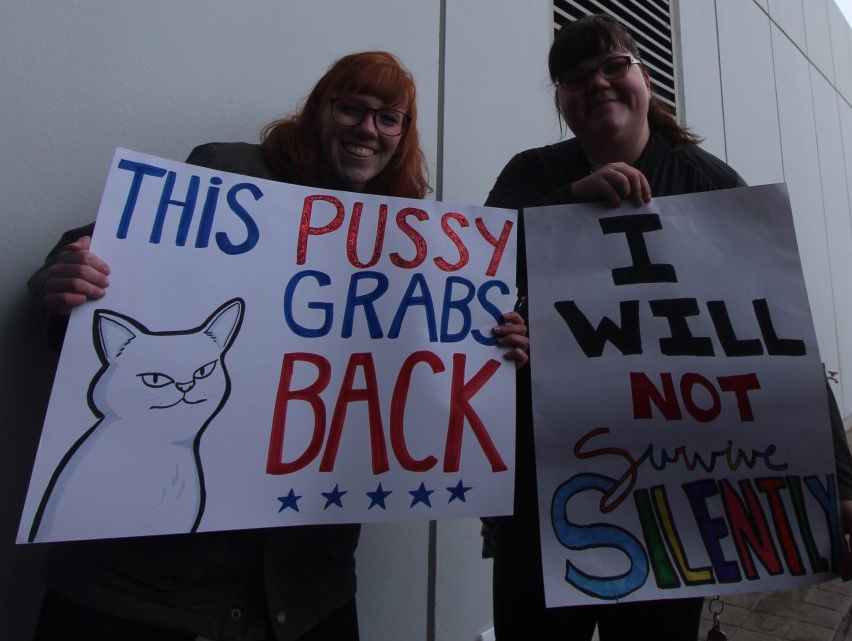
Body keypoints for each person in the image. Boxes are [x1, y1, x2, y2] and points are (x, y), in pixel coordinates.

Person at [28, 50, 529, 641]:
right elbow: (92, 278)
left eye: (389, 118)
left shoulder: (409, 236)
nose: (369, 129)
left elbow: (423, 374)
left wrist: (496, 348)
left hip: (305, 587)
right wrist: (63, 284)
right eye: (352, 108)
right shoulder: (228, 174)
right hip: (147, 580)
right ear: (320, 110)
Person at [483, 15, 852, 640]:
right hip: (542, 492)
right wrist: (567, 204)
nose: (599, 83)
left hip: (675, 503)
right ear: (560, 100)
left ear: (644, 78)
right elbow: (473, 286)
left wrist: (844, 484)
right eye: (577, 76)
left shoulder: (711, 185)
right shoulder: (530, 175)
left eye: (615, 66)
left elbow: (782, 342)